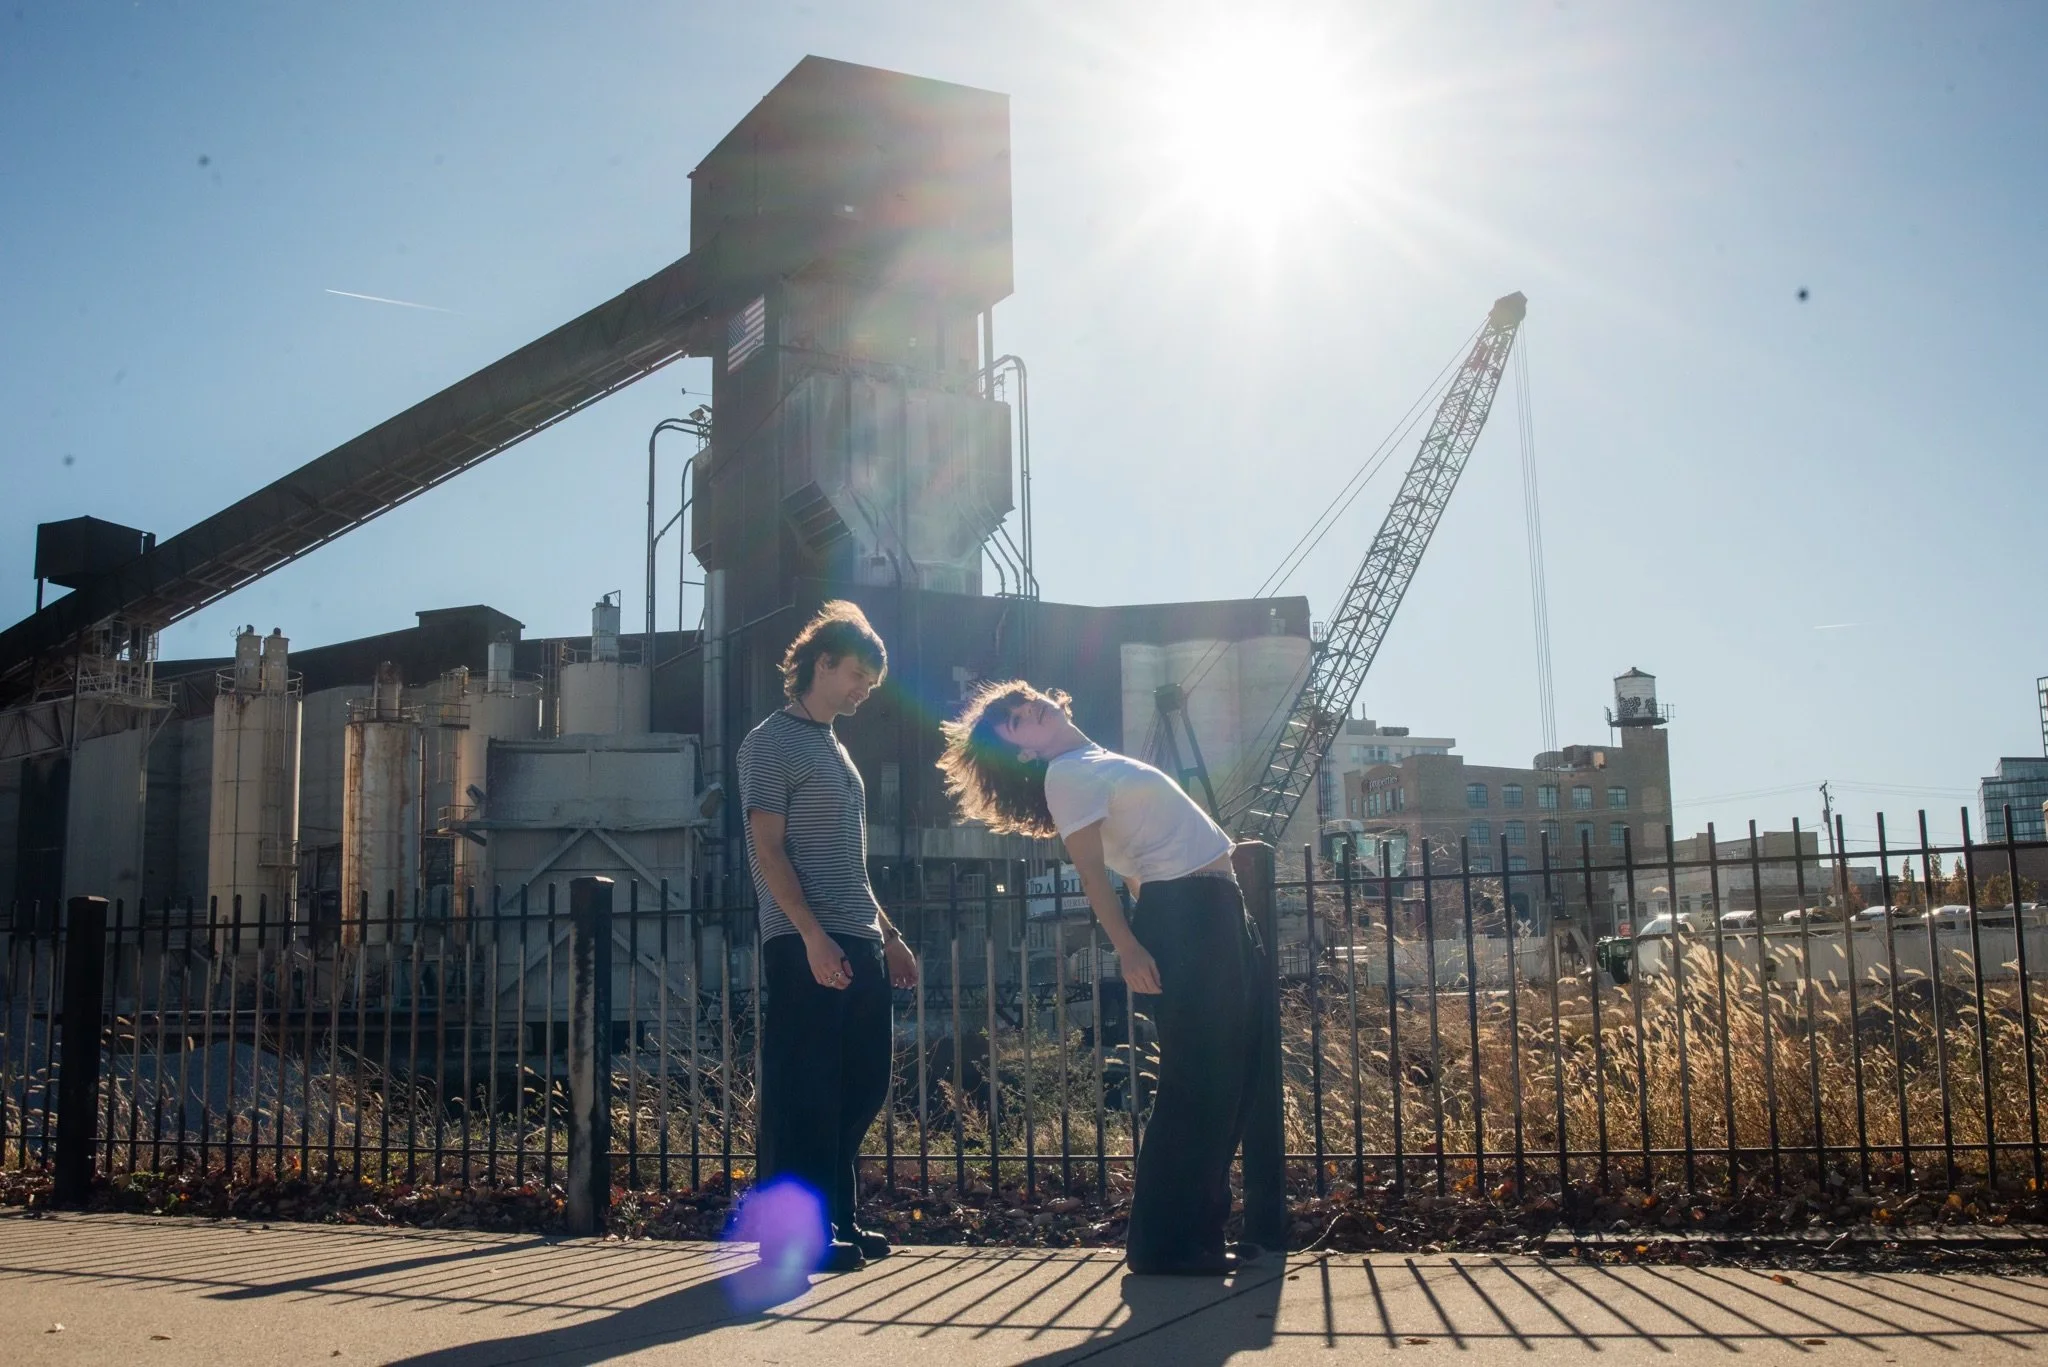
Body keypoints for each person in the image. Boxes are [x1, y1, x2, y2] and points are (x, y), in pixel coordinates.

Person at [936, 680, 1266, 1276]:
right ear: (1023, 753)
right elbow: (1091, 875)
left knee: (1233, 1075)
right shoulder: (1066, 773)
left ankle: (1200, 1234)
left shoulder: (1096, 761)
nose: (1025, 711)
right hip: (1188, 915)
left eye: (1021, 703)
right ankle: (1165, 1244)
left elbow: (1134, 862)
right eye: (1013, 723)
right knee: (1199, 1078)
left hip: (1216, 908)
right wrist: (1129, 946)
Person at [739, 600, 919, 1274]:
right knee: (805, 1087)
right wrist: (812, 936)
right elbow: (768, 849)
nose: (864, 690)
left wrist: (890, 933)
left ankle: (836, 1218)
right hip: (802, 940)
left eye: (871, 681)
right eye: (856, 675)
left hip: (858, 935)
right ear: (821, 663)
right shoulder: (771, 740)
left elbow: (852, 865)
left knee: (860, 1085)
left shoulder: (835, 748)